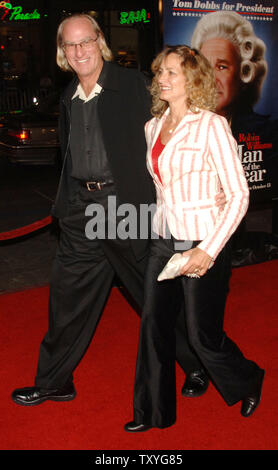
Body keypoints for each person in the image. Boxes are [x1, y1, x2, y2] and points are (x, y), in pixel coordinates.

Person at [10, 14, 222, 407]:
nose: (79, 51)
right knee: (67, 298)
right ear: (63, 52)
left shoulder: (133, 84)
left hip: (126, 210)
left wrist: (210, 185)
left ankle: (196, 364)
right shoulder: (69, 94)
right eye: (71, 45)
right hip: (81, 211)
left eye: (86, 42)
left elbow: (178, 129)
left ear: (100, 42)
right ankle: (55, 380)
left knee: (153, 294)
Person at [124, 45, 265, 433]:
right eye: (160, 72)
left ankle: (248, 378)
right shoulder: (153, 126)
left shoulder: (211, 125)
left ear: (193, 80)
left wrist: (207, 249)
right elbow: (163, 188)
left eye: (172, 72)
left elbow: (238, 194)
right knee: (154, 325)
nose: (162, 79)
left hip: (205, 240)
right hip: (163, 239)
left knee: (203, 335)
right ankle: (151, 413)